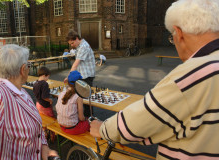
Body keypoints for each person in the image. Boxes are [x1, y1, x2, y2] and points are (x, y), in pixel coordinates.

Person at [90, 0, 219, 159]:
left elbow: (138, 122)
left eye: (172, 39)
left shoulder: (190, 76)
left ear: (178, 33)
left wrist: (102, 128)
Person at [0, 44, 58, 159]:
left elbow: (35, 126)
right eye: (29, 65)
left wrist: (43, 146)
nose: (29, 68)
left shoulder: (20, 91)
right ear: (23, 69)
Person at [64, 30, 96, 117]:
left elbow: (75, 64)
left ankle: (89, 118)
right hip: (83, 74)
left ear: (77, 38)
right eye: (70, 44)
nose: (71, 45)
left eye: (72, 43)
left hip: (87, 76)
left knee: (85, 98)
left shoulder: (83, 46)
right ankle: (84, 116)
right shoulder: (79, 46)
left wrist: (69, 77)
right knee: (81, 97)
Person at [56, 70, 90, 135]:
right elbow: (81, 118)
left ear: (68, 82)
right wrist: (86, 119)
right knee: (90, 122)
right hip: (73, 129)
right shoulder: (78, 97)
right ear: (80, 83)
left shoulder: (61, 93)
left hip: (61, 126)